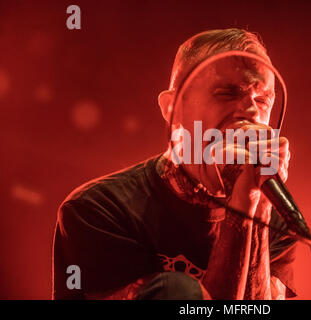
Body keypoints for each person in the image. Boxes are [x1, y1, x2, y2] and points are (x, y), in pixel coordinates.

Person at [52, 28, 298, 300]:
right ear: (172, 107)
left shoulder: (275, 219)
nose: (252, 111)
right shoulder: (98, 208)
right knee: (178, 291)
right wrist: (241, 211)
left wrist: (256, 205)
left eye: (263, 100)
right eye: (227, 93)